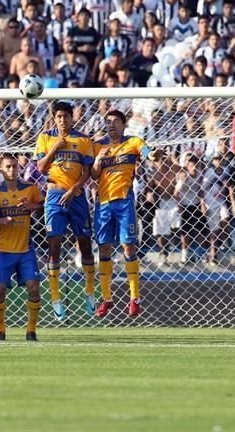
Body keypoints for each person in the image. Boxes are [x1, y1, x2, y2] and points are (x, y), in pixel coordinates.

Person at [91, 110, 162, 318]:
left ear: (123, 125)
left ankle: (134, 297)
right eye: (108, 122)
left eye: (115, 121)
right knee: (104, 249)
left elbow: (147, 151)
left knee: (128, 246)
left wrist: (153, 155)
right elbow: (93, 175)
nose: (111, 125)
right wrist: (97, 161)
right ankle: (106, 299)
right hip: (103, 203)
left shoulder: (133, 142)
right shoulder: (98, 146)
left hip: (124, 202)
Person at [33, 101, 96, 320]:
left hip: (77, 196)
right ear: (54, 118)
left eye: (66, 116)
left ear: (72, 117)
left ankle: (89, 292)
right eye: (58, 116)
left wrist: (75, 189)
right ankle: (56, 298)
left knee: (85, 243)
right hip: (54, 195)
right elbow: (40, 168)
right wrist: (54, 148)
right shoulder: (45, 138)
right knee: (54, 244)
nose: (62, 120)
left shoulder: (83, 139)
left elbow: (87, 172)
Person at [0, 154, 44, 341]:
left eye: (14, 167)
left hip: (25, 249)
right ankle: (1, 330)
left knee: (34, 287)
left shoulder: (30, 189)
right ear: (1, 169)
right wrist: (0, 220)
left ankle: (31, 331)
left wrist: (32, 205)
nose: (12, 170)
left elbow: (43, 208)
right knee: (0, 290)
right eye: (8, 167)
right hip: (3, 250)